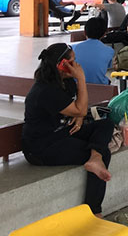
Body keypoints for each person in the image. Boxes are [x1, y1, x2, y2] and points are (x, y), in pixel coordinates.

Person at [22, 43, 114, 216]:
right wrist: (81, 80)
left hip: (62, 132)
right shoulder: (45, 91)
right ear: (62, 65)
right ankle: (94, 213)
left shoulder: (66, 82)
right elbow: (79, 108)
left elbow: (81, 108)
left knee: (106, 124)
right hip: (41, 148)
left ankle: (95, 158)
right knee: (105, 153)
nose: (77, 65)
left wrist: (79, 118)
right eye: (73, 61)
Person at [73, 18, 114, 85]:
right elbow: (106, 68)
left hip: (77, 86)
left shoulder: (73, 48)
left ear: (84, 32)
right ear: (104, 34)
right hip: (100, 87)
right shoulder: (109, 51)